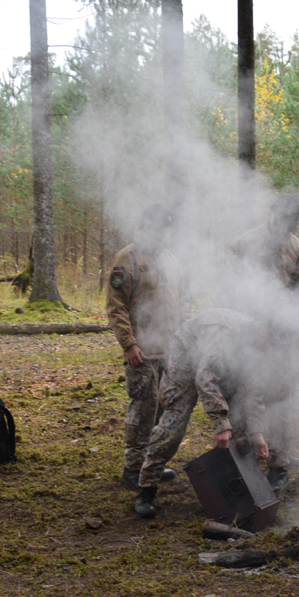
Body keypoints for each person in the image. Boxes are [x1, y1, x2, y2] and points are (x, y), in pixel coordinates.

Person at [134, 309, 271, 518]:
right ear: (261, 331)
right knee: (174, 424)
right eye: (269, 342)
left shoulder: (259, 349)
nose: (269, 349)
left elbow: (253, 394)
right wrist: (220, 424)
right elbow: (204, 379)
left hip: (221, 366)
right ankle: (146, 488)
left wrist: (257, 433)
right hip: (187, 358)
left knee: (240, 423)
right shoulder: (228, 337)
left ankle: (229, 485)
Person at [230, 194, 299, 493]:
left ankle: (279, 467)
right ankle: (242, 465)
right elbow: (228, 290)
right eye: (286, 220)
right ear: (272, 215)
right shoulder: (244, 244)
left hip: (283, 340)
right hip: (244, 334)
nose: (290, 226)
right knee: (242, 401)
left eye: (294, 221)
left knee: (281, 402)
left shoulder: (298, 250)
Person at [107, 204, 187, 494]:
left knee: (161, 411)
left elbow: (183, 302)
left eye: (168, 229)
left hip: (169, 350)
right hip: (141, 352)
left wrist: (184, 340)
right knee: (142, 411)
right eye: (161, 228)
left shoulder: (170, 260)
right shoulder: (126, 259)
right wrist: (128, 344)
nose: (165, 234)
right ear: (148, 227)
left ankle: (149, 465)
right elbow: (116, 308)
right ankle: (132, 469)